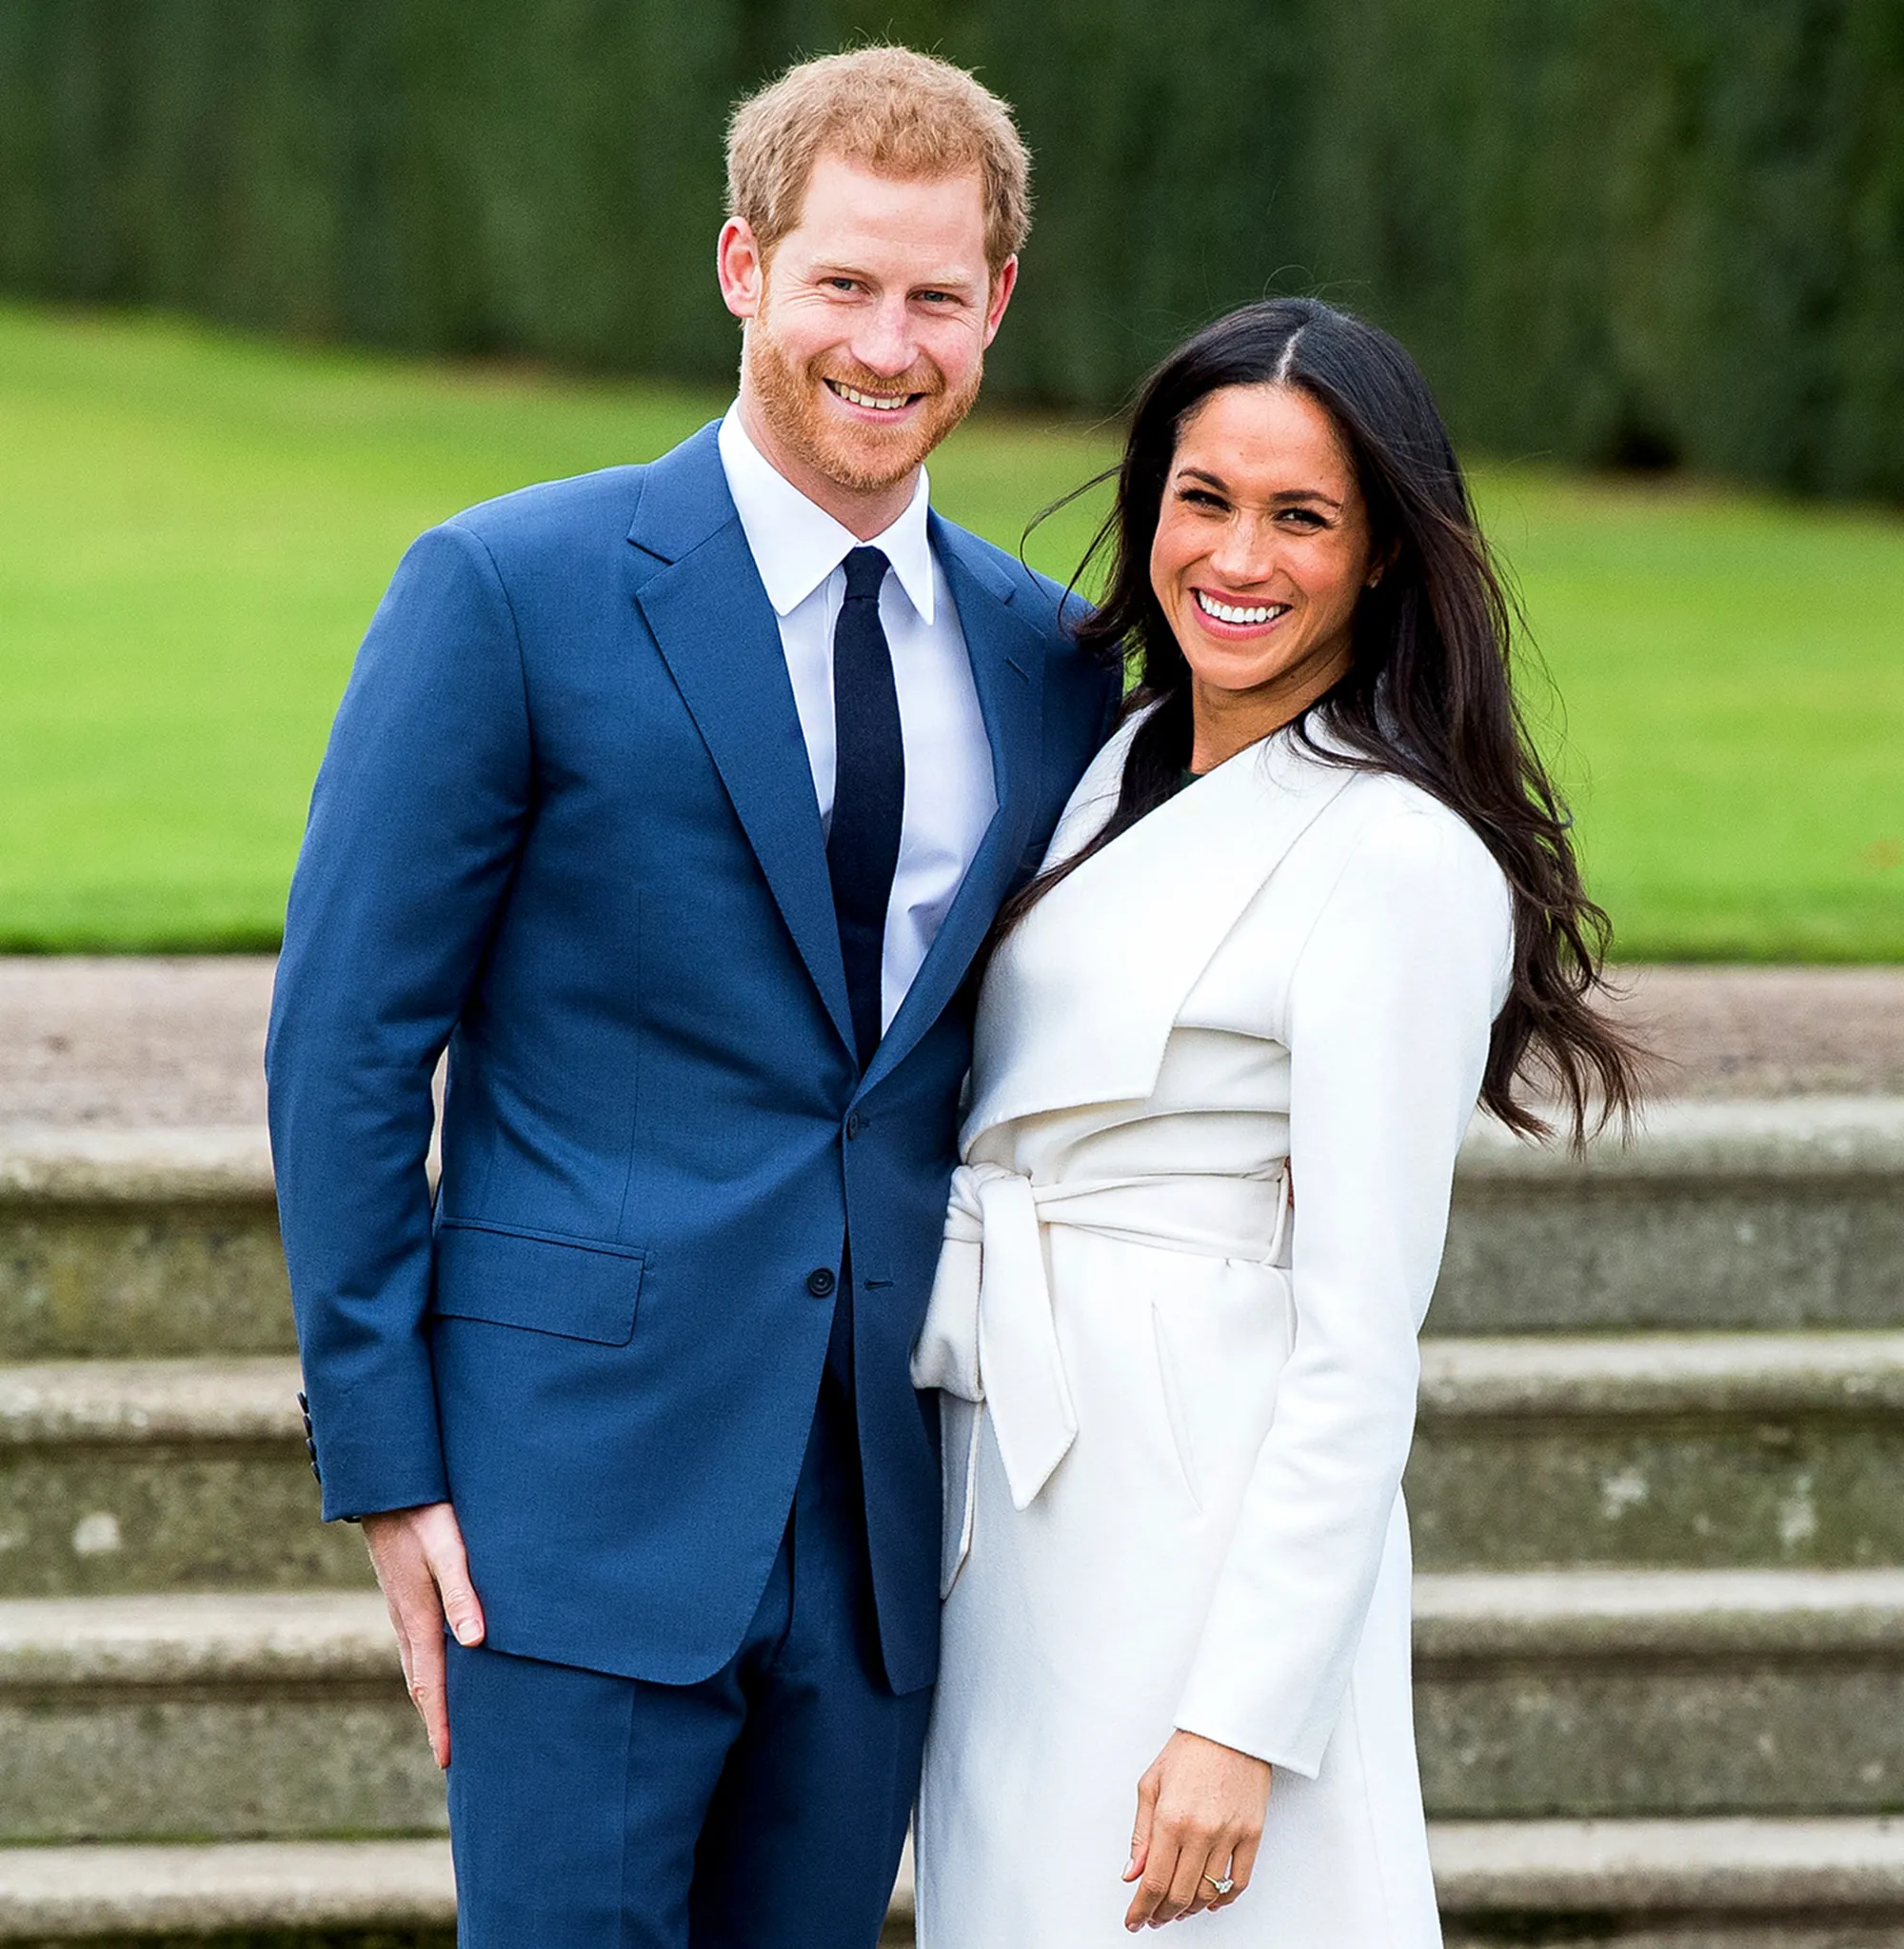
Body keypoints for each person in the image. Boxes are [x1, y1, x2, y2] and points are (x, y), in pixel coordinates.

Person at [266, 46, 1116, 1949]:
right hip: (569, 1501)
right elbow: (344, 1049)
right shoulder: (505, 589)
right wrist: (388, 1467)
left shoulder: (1053, 657)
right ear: (741, 268)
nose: (883, 342)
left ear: (994, 308)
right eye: (840, 282)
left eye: (932, 295)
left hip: (889, 1519)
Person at [910, 296, 1642, 1943]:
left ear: (1383, 553)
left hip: (1203, 1518)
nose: (1240, 556)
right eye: (1205, 498)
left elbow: (1359, 1338)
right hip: (1016, 1482)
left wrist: (1243, 1714)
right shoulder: (1106, 765)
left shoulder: (1397, 855)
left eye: (1302, 515)